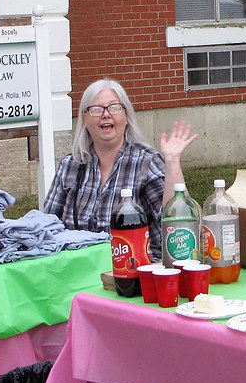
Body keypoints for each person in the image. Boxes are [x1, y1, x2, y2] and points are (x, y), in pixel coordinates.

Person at [42, 78, 199, 259]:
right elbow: (46, 229)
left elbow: (177, 224)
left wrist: (171, 162)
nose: (106, 114)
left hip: (135, 273)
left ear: (126, 117)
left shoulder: (147, 162)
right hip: (77, 273)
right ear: (84, 119)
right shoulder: (70, 166)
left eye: (114, 107)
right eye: (96, 109)